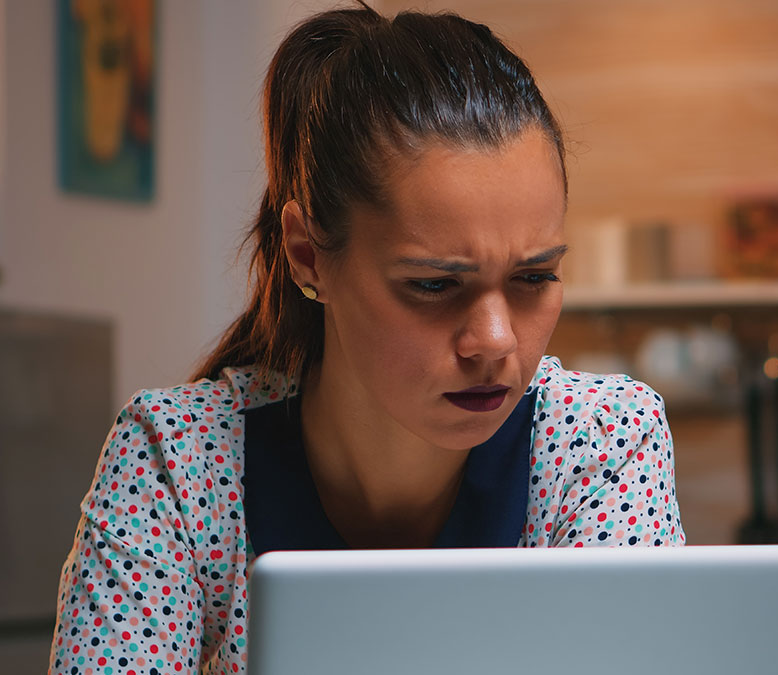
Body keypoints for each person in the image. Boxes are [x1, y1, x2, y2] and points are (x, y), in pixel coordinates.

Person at [49, 5, 684, 674]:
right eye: (435, 285)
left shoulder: (604, 442)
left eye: (534, 276)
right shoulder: (179, 464)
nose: (495, 341)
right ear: (308, 254)